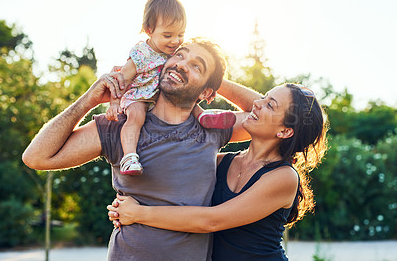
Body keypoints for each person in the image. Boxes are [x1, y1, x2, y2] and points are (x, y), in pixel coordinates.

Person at [22, 37, 262, 260]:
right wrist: (89, 100)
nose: (181, 65)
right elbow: (36, 157)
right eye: (178, 55)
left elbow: (277, 118)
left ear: (207, 92)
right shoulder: (121, 125)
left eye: (196, 66)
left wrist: (217, 82)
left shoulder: (213, 126)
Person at [107, 83, 329, 260]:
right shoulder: (222, 162)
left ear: (285, 130)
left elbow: (211, 221)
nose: (256, 103)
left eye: (270, 105)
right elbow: (169, 175)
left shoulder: (284, 177)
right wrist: (125, 206)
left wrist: (138, 214)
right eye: (263, 97)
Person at [106, 0, 235, 175]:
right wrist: (113, 104)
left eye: (180, 35)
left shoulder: (171, 51)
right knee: (136, 117)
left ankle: (204, 116)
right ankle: (129, 157)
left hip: (157, 94)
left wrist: (212, 82)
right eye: (168, 35)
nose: (175, 41)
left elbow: (189, 79)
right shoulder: (141, 54)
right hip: (138, 96)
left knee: (186, 98)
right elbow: (120, 80)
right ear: (149, 30)